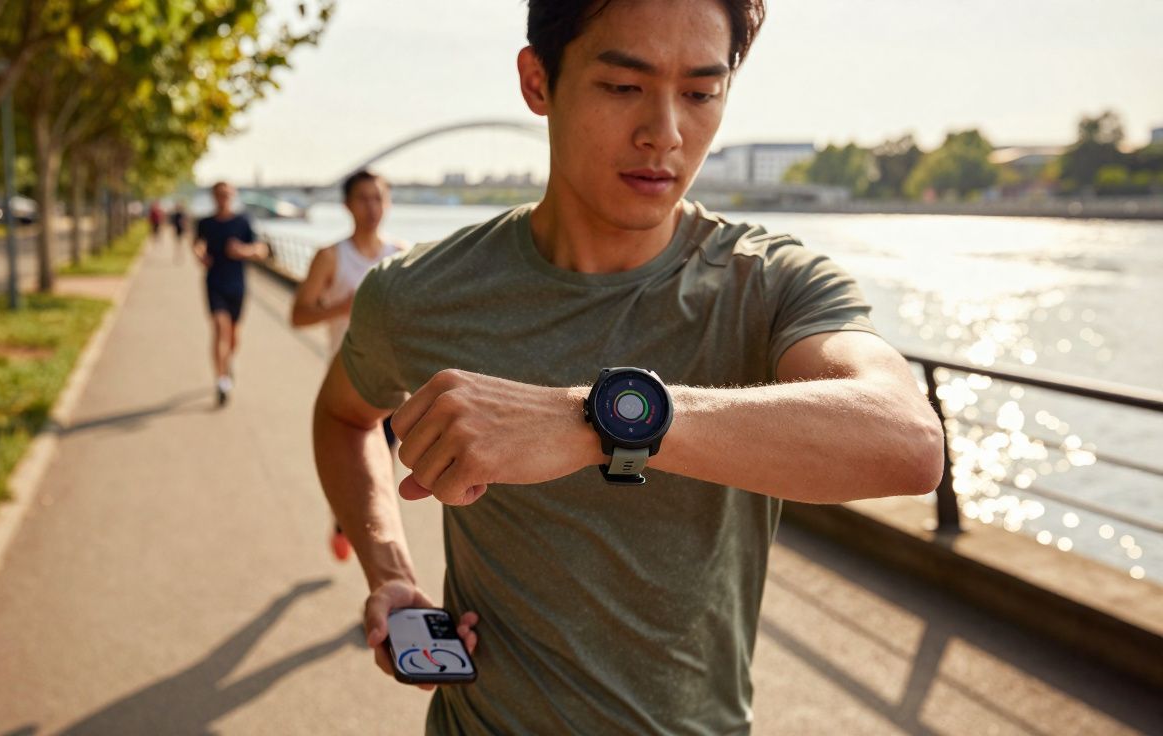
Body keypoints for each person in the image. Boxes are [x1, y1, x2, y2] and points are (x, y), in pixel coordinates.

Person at [312, 1, 945, 733]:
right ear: (537, 81)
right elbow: (343, 417)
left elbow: (909, 441)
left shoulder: (769, 283)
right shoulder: (419, 295)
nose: (666, 133)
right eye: (623, 86)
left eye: (702, 93)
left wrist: (592, 419)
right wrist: (389, 570)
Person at [290, 169, 404, 562]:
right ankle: (346, 523)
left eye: (378, 198)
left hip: (393, 389)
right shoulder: (331, 257)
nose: (372, 207)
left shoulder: (400, 257)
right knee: (361, 481)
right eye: (363, 198)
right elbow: (298, 315)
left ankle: (377, 567)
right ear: (347, 205)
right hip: (347, 387)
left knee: (380, 481)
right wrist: (342, 306)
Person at [193, 182, 269, 406]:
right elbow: (197, 244)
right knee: (219, 328)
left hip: (237, 284)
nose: (223, 198)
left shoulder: (243, 221)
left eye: (227, 194)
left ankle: (227, 361)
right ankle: (221, 381)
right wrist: (199, 255)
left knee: (234, 335)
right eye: (219, 194)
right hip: (214, 282)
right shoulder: (205, 222)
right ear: (213, 197)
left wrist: (243, 250)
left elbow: (261, 249)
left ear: (233, 196)